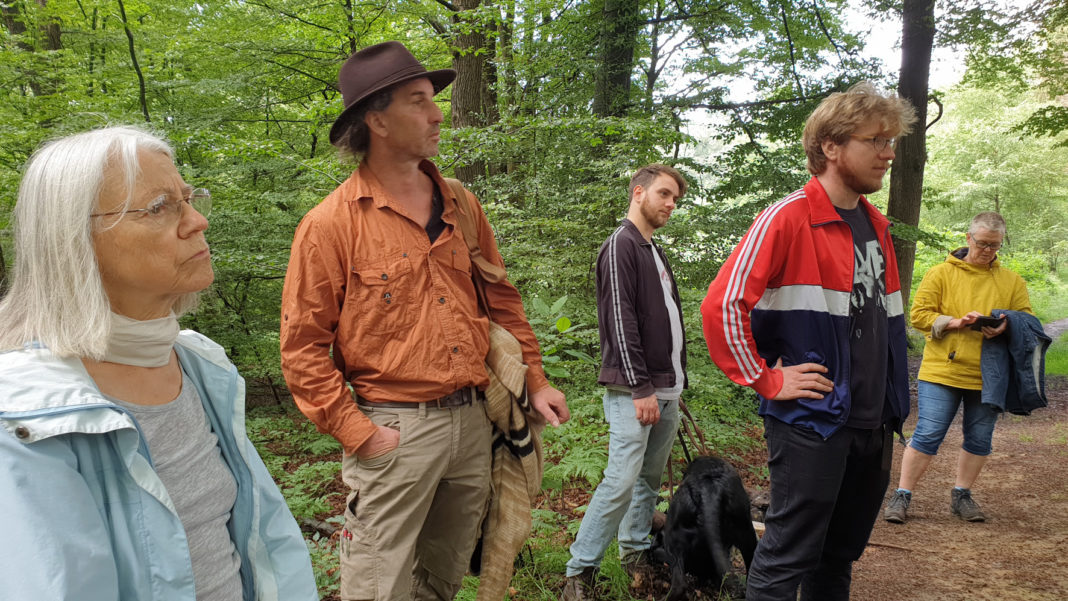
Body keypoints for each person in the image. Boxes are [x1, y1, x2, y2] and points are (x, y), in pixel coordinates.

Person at [279, 41, 569, 601]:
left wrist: (534, 380)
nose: (437, 114)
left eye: (433, 100)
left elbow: (501, 302)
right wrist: (359, 432)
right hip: (395, 430)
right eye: (418, 102)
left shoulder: (460, 204)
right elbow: (302, 348)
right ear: (377, 120)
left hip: (473, 421)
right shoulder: (330, 225)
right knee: (375, 587)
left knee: (442, 576)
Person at [0, 127, 318, 601]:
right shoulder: (24, 419)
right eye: (160, 207)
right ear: (72, 239)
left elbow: (261, 543)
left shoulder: (199, 365)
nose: (197, 222)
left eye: (189, 199)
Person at [700, 82, 917, 601]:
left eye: (893, 142)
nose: (889, 153)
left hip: (872, 421)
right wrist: (766, 379)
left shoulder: (876, 226)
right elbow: (721, 305)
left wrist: (891, 403)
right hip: (813, 421)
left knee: (838, 557)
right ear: (831, 146)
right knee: (788, 555)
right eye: (877, 140)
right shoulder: (789, 216)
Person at [561, 164, 688, 601]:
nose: (671, 204)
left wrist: (673, 385)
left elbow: (665, 321)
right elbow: (620, 320)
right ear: (639, 193)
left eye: (676, 199)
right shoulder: (621, 246)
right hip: (636, 391)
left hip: (666, 390)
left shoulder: (652, 249)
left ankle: (635, 550)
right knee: (620, 480)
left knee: (649, 480)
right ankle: (579, 573)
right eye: (665, 195)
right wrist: (641, 387)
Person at [883, 212, 1032, 524]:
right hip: (942, 370)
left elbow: (1027, 320)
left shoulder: (1012, 281)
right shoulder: (940, 274)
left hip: (990, 374)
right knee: (928, 432)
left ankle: (962, 495)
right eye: (982, 244)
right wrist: (955, 322)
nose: (988, 250)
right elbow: (919, 315)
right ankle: (902, 495)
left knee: (980, 438)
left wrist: (1005, 327)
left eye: (995, 246)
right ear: (968, 238)